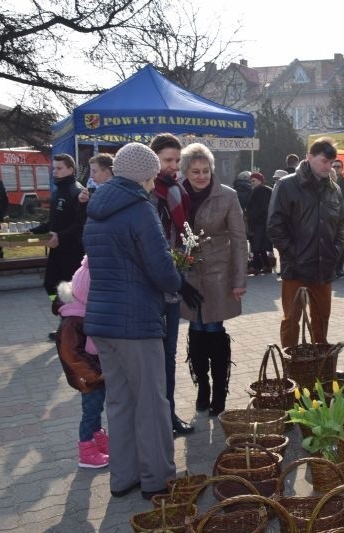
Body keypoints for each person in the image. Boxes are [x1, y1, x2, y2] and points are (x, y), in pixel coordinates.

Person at [83, 142, 189, 500]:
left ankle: (123, 477)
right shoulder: (140, 209)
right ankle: (157, 478)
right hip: (135, 321)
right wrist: (179, 281)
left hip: (101, 320)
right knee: (152, 402)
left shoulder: (97, 208)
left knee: (119, 401)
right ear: (146, 174)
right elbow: (160, 267)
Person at [180, 143, 248, 417]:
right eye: (195, 171)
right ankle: (202, 387)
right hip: (188, 272)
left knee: (213, 330)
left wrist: (239, 278)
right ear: (186, 171)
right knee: (196, 329)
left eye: (205, 171)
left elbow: (239, 239)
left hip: (219, 273)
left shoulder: (228, 196)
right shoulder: (177, 195)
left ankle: (220, 390)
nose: (200, 176)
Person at [267, 137, 344, 348]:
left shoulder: (333, 189)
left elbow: (341, 224)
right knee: (292, 318)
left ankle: (319, 361)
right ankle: (291, 363)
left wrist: (336, 250)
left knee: (321, 317)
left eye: (331, 163)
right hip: (295, 267)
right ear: (309, 157)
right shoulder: (286, 185)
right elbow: (275, 226)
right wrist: (292, 254)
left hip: (324, 266)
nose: (328, 167)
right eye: (324, 161)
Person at [148, 133, 195, 436]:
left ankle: (168, 415)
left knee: (168, 353)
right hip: (152, 285)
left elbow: (183, 235)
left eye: (177, 160)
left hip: (173, 282)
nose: (174, 166)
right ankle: (156, 417)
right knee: (153, 357)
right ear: (154, 160)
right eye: (168, 160)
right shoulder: (149, 195)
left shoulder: (178, 191)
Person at [54, 255, 108, 469]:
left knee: (96, 409)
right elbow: (72, 354)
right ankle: (86, 448)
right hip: (88, 377)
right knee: (90, 411)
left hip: (96, 372)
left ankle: (98, 439)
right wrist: (95, 374)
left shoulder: (83, 312)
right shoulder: (73, 319)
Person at [31, 154, 86, 340]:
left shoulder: (76, 191)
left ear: (71, 169)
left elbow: (80, 224)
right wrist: (34, 231)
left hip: (72, 250)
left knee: (71, 290)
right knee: (50, 284)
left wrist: (60, 236)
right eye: (54, 168)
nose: (55, 171)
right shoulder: (59, 191)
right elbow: (54, 221)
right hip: (58, 248)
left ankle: (74, 326)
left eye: (60, 168)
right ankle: (65, 318)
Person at [245, 171, 273, 275]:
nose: (251, 183)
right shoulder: (267, 190)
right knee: (260, 246)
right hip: (265, 222)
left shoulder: (258, 191)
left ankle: (255, 266)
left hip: (257, 222)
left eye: (254, 180)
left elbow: (257, 207)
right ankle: (266, 265)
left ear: (260, 181)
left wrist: (251, 216)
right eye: (251, 181)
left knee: (256, 245)